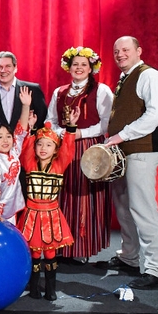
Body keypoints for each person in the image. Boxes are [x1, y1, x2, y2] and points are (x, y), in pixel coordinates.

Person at [97, 36, 158, 290]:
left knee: (143, 209)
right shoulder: (126, 77)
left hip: (141, 151)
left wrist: (122, 135)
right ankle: (129, 257)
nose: (120, 54)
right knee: (125, 207)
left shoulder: (150, 76)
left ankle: (157, 270)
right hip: (123, 153)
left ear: (139, 50)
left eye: (125, 50)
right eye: (116, 51)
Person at [47, 47, 114, 263]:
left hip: (90, 148)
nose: (79, 68)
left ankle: (83, 246)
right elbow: (51, 122)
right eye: (75, 64)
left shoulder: (102, 90)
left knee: (86, 196)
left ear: (91, 68)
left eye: (83, 64)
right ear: (69, 67)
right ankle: (62, 245)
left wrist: (80, 133)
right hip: (64, 147)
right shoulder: (59, 92)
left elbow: (106, 123)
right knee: (63, 195)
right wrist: (65, 134)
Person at [17, 113, 79, 301]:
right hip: (32, 213)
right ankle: (34, 287)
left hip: (51, 214)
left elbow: (68, 149)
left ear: (55, 150)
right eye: (40, 144)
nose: (43, 148)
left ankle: (51, 289)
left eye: (49, 145)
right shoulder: (29, 164)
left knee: (50, 252)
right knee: (35, 252)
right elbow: (25, 149)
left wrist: (70, 129)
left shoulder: (59, 166)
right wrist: (32, 130)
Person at [0, 87, 32, 224]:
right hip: (0, 211)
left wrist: (26, 106)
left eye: (8, 136)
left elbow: (21, 130)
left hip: (14, 206)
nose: (5, 140)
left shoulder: (14, 150)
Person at [0, 51, 47, 132]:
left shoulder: (33, 89)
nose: (3, 70)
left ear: (15, 68)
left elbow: (43, 120)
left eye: (8, 66)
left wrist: (33, 127)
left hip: (27, 143)